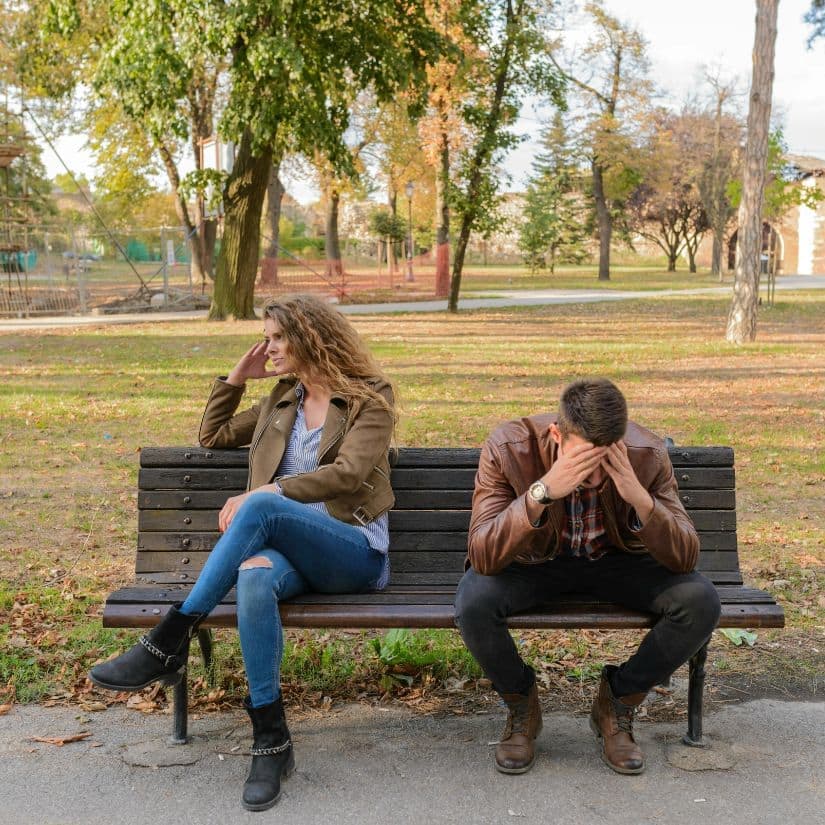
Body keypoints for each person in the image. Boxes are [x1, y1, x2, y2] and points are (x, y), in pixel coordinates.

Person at [89, 294, 396, 811]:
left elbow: (349, 475)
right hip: (289, 553)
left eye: (277, 338)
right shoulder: (282, 400)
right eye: (266, 338)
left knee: (262, 505)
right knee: (253, 577)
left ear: (309, 337)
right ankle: (271, 742)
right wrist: (235, 379)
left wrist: (269, 492)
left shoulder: (370, 396)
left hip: (353, 551)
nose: (268, 347)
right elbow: (212, 435)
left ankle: (170, 637)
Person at [454, 378, 721, 776]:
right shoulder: (509, 447)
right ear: (557, 435)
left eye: (604, 461)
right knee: (473, 601)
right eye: (582, 460)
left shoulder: (646, 453)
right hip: (537, 564)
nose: (593, 476)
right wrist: (541, 493)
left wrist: (638, 496)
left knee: (699, 601)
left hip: (616, 562)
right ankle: (521, 705)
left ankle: (617, 703)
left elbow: (685, 557)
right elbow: (483, 556)